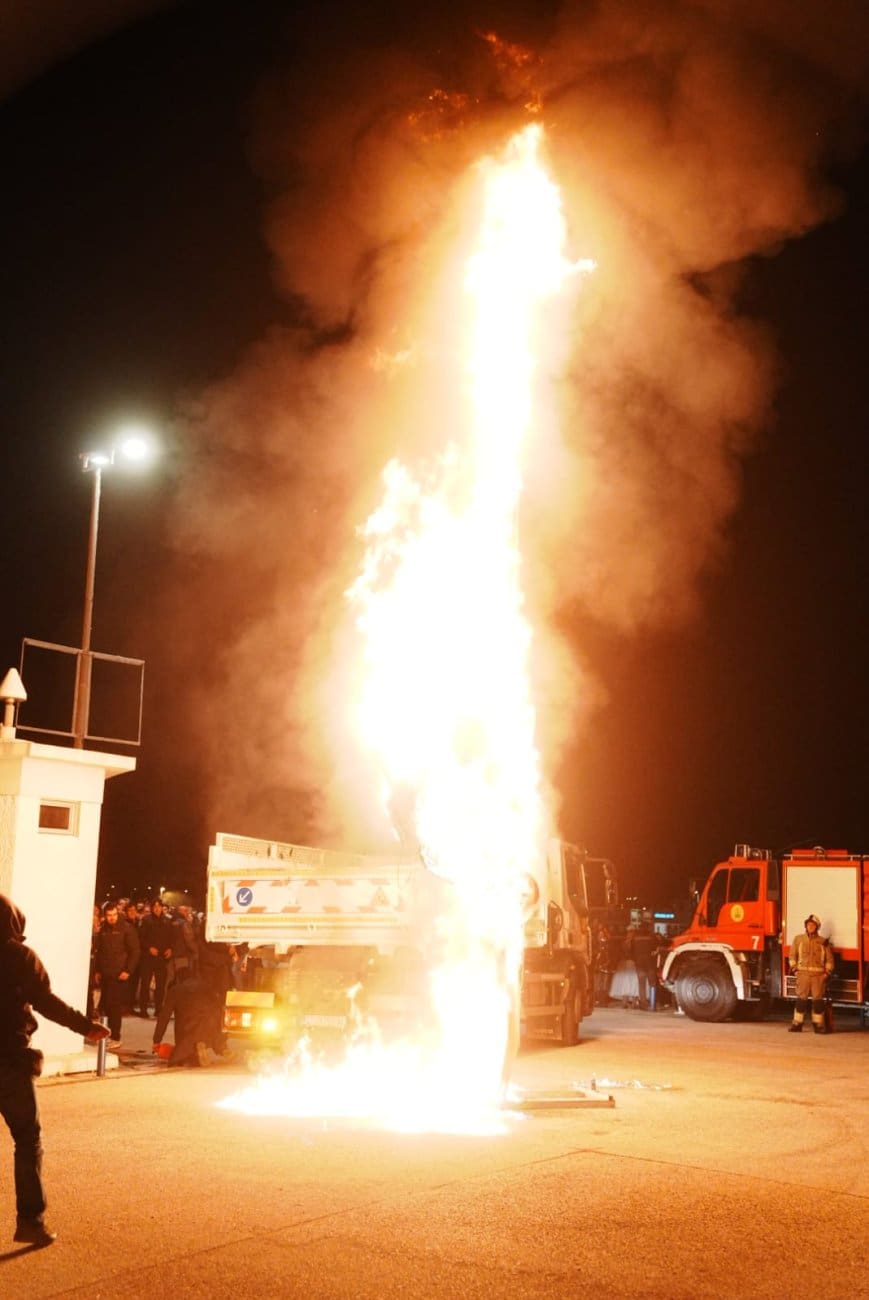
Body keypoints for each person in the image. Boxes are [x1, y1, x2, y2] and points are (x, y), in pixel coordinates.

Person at [0, 893, 109, 1247]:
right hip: (10, 1061)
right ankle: (30, 1222)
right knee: (27, 1139)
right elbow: (45, 1001)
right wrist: (85, 1027)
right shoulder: (19, 957)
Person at [93, 903, 139, 1048]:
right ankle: (107, 1035)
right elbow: (100, 951)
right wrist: (98, 970)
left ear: (117, 914)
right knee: (105, 1006)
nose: (112, 918)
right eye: (109, 915)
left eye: (114, 915)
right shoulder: (104, 929)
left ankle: (115, 1037)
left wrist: (128, 970)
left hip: (119, 975)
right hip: (106, 974)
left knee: (114, 1007)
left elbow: (135, 951)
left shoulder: (127, 928)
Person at [788, 913, 835, 1034]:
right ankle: (797, 1024)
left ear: (817, 927)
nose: (810, 927)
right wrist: (795, 970)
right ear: (805, 926)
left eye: (813, 925)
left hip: (818, 977)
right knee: (801, 1000)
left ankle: (818, 1025)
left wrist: (827, 973)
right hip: (803, 975)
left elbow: (830, 960)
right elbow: (792, 956)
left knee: (818, 1002)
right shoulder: (798, 939)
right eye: (808, 925)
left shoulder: (823, 942)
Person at [136, 897, 174, 1017]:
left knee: (160, 985)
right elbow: (140, 938)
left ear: (162, 907)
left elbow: (172, 938)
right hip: (148, 957)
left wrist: (170, 949)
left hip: (162, 958)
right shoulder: (146, 920)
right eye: (155, 906)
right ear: (152, 908)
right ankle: (143, 1009)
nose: (157, 909)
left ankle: (158, 1009)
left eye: (159, 906)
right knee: (145, 985)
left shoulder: (167, 921)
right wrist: (149, 948)